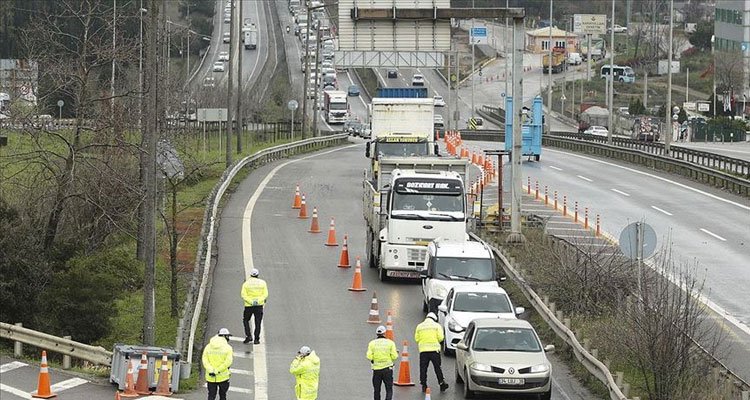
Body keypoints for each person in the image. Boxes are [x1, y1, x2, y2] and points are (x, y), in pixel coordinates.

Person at [414, 312, 449, 393]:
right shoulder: (437, 326)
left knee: (423, 368)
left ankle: (424, 385)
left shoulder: (419, 326)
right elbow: (441, 338)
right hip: (434, 351)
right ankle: (441, 383)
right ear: (434, 319)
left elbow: (417, 339)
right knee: (437, 368)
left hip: (423, 351)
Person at [366, 325, 398, 400]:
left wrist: (374, 359)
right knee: (389, 389)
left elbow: (369, 356)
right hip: (388, 369)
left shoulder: (372, 343)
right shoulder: (390, 343)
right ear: (384, 333)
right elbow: (394, 356)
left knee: (377, 390)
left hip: (376, 370)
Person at [202, 328, 234, 400]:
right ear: (225, 336)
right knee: (223, 395)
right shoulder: (228, 348)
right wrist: (218, 370)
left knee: (211, 395)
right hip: (223, 376)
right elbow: (228, 362)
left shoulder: (208, 346)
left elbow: (205, 360)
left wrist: (211, 370)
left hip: (210, 376)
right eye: (227, 336)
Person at [241, 268, 268, 344]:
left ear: (251, 275)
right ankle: (256, 339)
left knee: (246, 320)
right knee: (258, 322)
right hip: (259, 305)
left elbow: (243, 295)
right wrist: (258, 301)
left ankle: (248, 336)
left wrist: (251, 302)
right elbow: (265, 294)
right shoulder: (262, 283)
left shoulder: (246, 283)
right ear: (258, 275)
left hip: (248, 306)